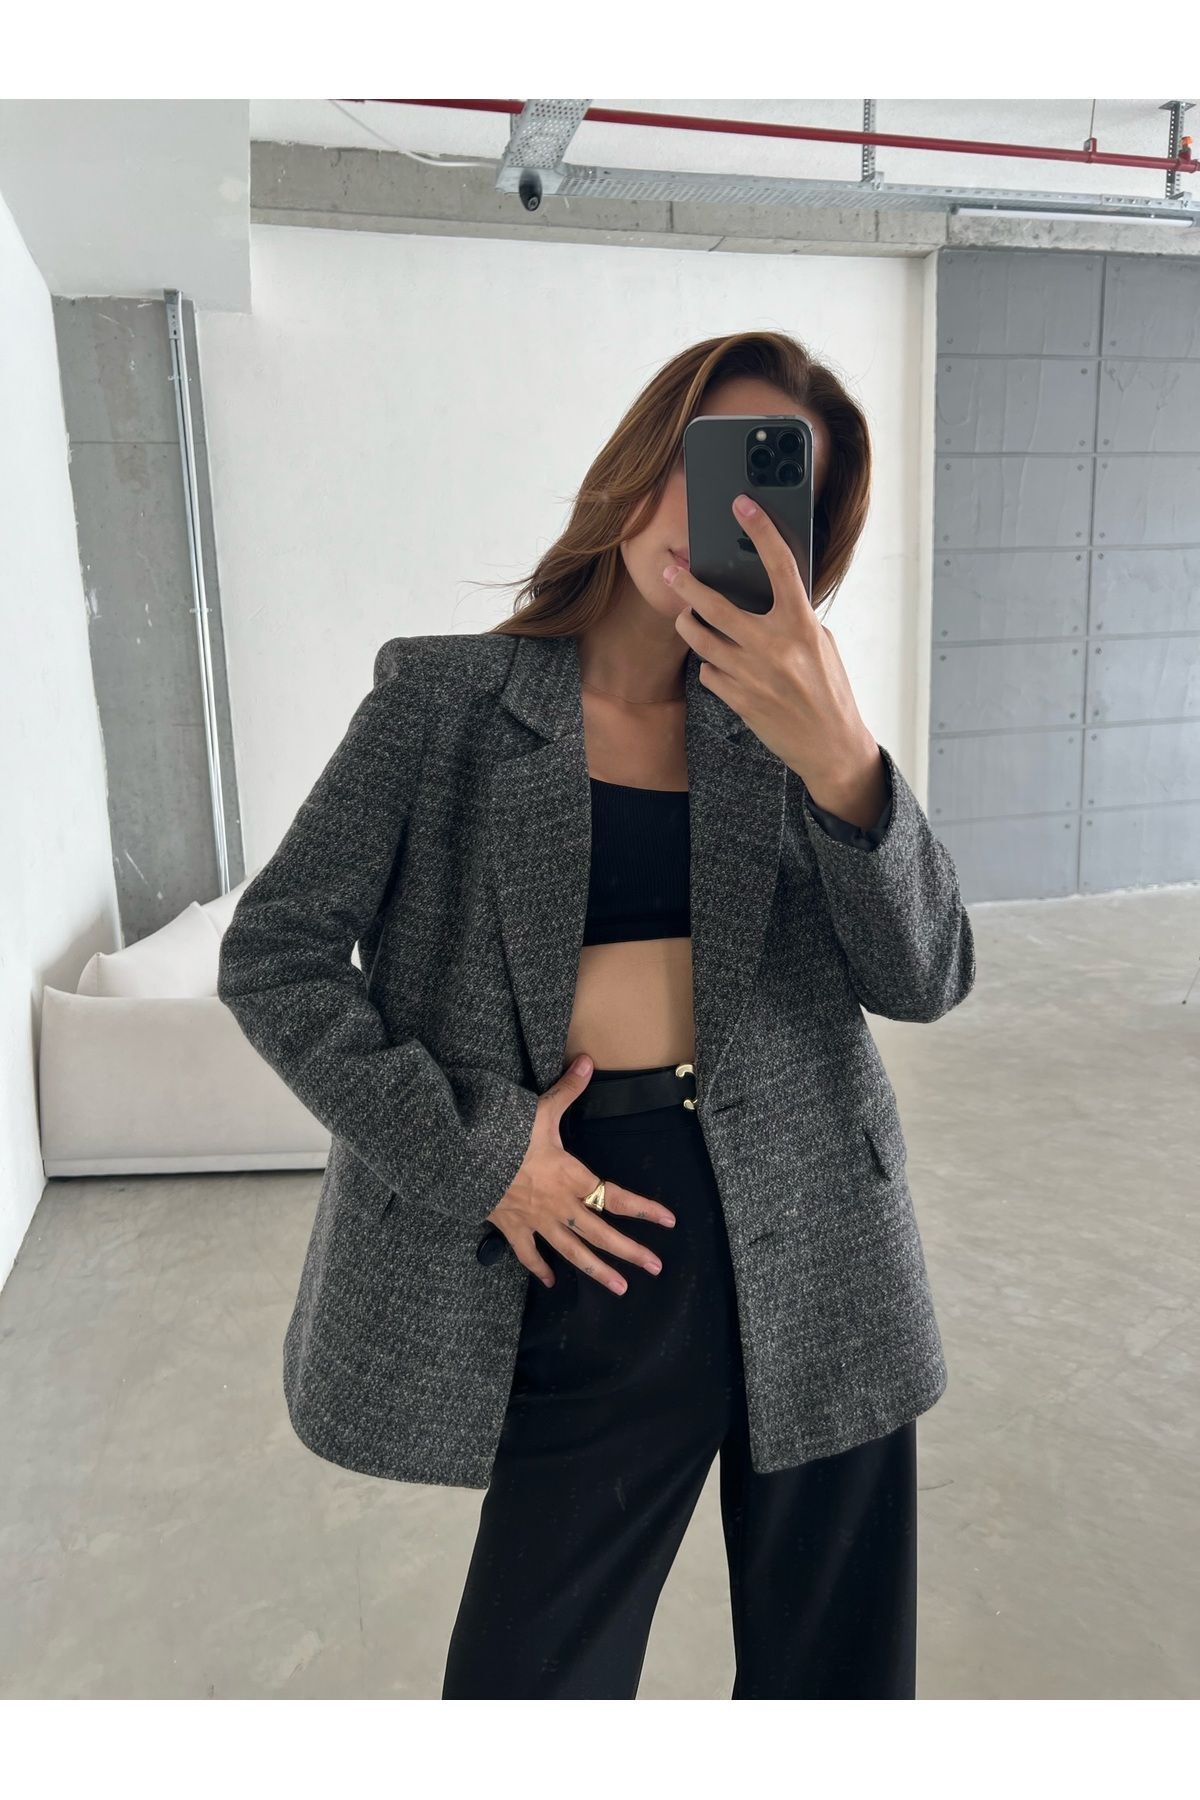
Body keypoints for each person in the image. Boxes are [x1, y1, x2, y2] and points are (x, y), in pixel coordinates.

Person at [217, 329, 976, 1701]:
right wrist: (477, 1154)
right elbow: (274, 955)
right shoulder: (443, 703)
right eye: (706, 461)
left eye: (775, 493)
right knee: (533, 1683)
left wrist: (846, 767)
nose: (724, 513)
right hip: (581, 1224)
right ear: (638, 465)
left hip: (821, 1230)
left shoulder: (797, 725)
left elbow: (925, 977)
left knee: (840, 1685)